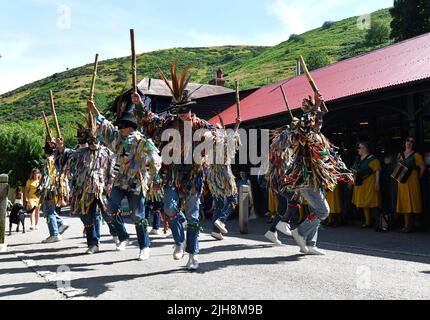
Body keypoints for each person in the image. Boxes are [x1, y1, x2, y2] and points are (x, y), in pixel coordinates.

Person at [133, 62, 233, 270]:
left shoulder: (201, 124)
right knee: (169, 208)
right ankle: (179, 240)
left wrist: (211, 136)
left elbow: (219, 134)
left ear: (190, 109)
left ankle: (193, 254)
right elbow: (148, 120)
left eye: (185, 110)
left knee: (193, 215)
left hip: (193, 174)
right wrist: (139, 103)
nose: (182, 114)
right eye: (179, 110)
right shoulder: (168, 123)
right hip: (172, 173)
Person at [267, 91, 353, 255]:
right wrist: (315, 107)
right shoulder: (305, 134)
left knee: (316, 211)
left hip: (317, 180)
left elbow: (332, 157)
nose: (319, 122)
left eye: (321, 119)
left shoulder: (321, 137)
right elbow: (304, 123)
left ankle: (310, 244)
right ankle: (299, 232)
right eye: (316, 118)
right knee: (323, 211)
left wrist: (346, 172)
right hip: (305, 179)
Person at [64, 117, 119, 255]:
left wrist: (110, 184)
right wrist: (81, 145)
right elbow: (68, 162)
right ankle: (93, 244)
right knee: (87, 217)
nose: (93, 143)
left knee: (108, 213)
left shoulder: (107, 152)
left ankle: (116, 234)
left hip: (102, 188)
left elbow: (114, 169)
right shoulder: (81, 153)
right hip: (85, 190)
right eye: (90, 141)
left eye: (95, 140)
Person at [37, 139, 70, 243]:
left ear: (46, 151)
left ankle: (54, 234)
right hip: (55, 188)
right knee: (48, 210)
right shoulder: (56, 159)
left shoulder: (49, 161)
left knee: (48, 211)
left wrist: (43, 189)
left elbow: (48, 177)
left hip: (50, 189)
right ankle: (60, 223)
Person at [395, 137, 426, 233]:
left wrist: (417, 177)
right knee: (404, 201)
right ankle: (407, 225)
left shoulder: (416, 155)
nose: (409, 143)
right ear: (404, 143)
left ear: (413, 144)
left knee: (413, 201)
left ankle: (415, 224)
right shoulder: (399, 155)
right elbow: (397, 167)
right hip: (402, 181)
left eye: (412, 141)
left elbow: (423, 167)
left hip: (412, 180)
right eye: (407, 141)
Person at [351, 142, 382, 228]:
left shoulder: (372, 159)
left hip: (370, 183)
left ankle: (378, 222)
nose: (358, 149)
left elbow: (377, 170)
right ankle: (367, 221)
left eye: (359, 148)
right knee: (363, 203)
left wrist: (377, 183)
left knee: (373, 202)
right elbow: (353, 170)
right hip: (360, 183)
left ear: (364, 148)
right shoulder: (358, 159)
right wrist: (351, 181)